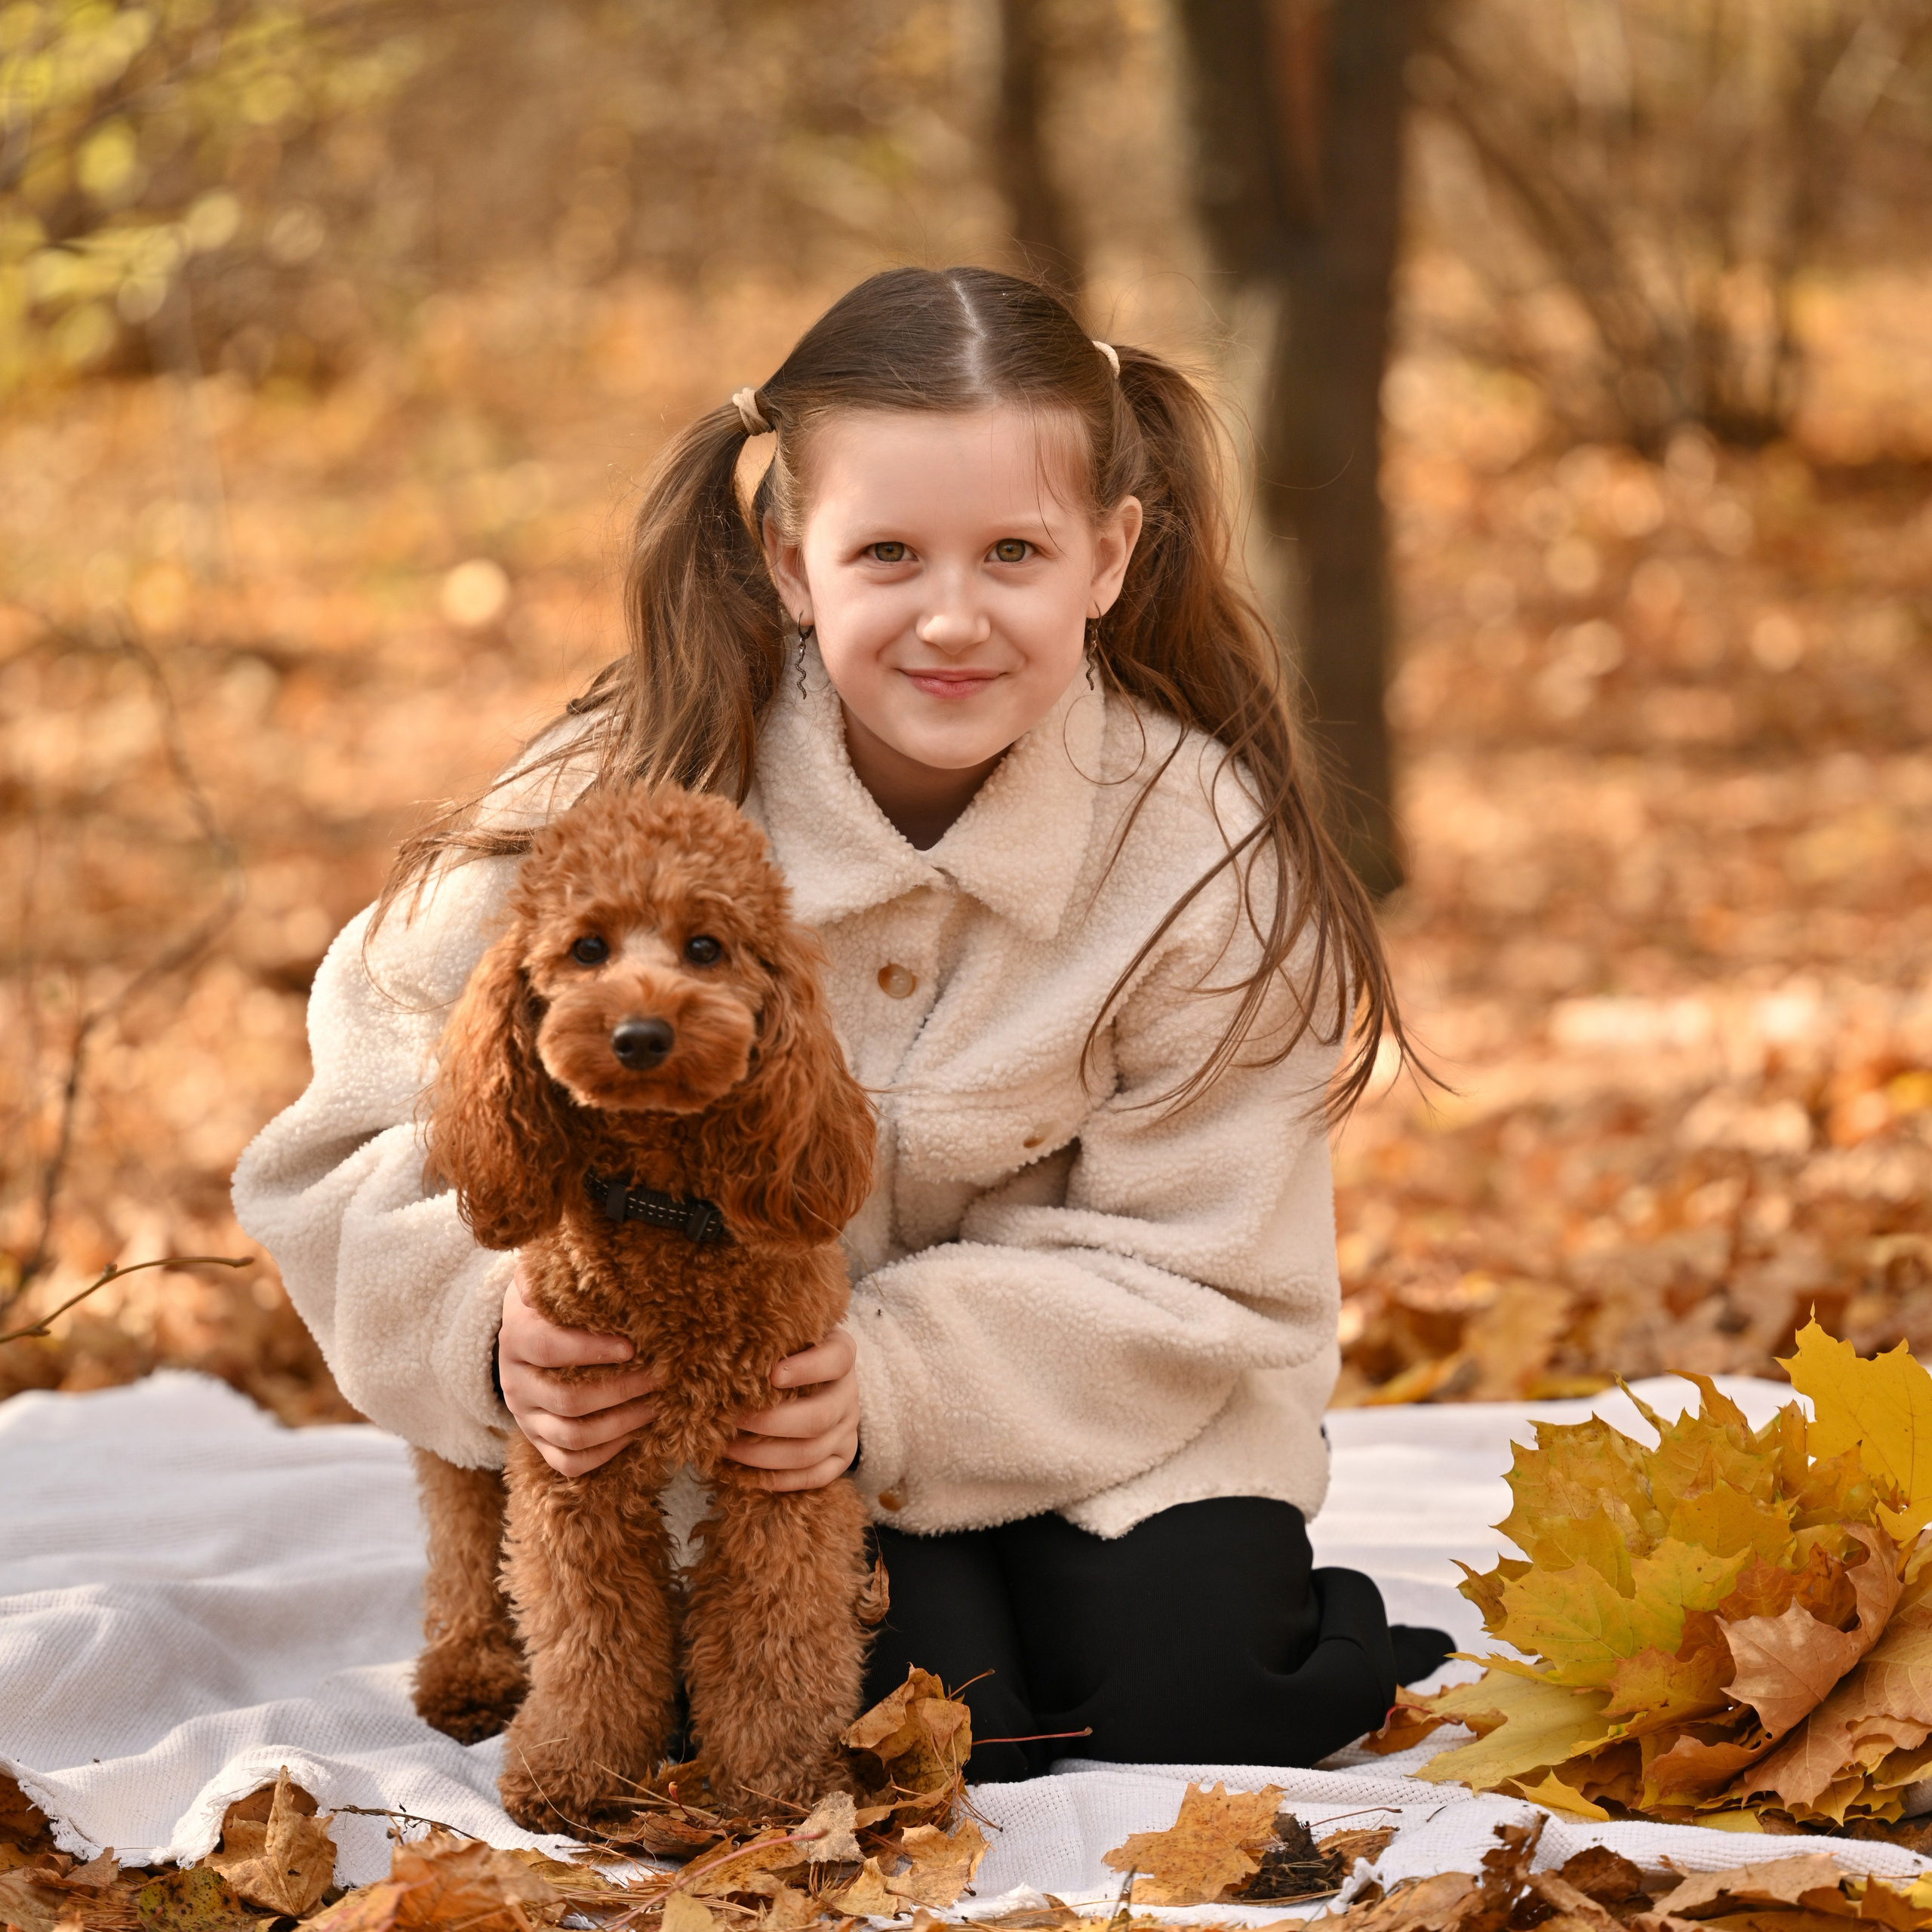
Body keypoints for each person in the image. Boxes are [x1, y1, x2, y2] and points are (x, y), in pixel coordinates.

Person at [233, 264, 1450, 1785]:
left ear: (1108, 555)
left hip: (1100, 1418)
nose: (952, 615)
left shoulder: (1197, 844)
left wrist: (891, 1381)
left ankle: (1286, 1617)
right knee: (913, 1724)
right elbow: (347, 1124)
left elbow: (1206, 1265)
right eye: (887, 552)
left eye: (1014, 550)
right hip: (735, 1443)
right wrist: (483, 1330)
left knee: (1198, 1697)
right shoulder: (623, 783)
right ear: (790, 560)